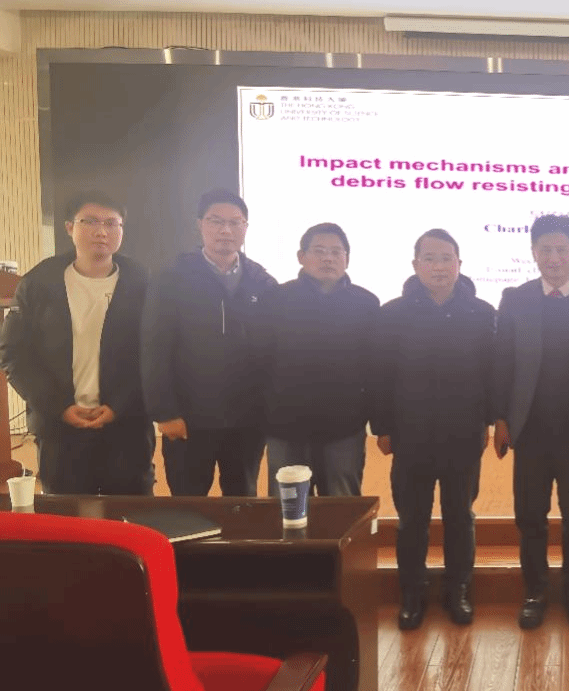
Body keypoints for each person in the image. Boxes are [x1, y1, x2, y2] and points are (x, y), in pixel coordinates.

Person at [492, 214, 569, 630]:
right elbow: (502, 363)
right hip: (528, 429)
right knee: (530, 516)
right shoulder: (515, 299)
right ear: (533, 253)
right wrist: (500, 418)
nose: (553, 257)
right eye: (545, 249)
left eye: (561, 249)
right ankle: (534, 593)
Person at [374, 229, 494, 629]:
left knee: (460, 516)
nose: (438, 267)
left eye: (446, 259)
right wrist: (383, 427)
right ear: (415, 265)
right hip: (411, 435)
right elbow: (381, 374)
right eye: (429, 259)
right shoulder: (392, 314)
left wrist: (488, 422)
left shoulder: (481, 313)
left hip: (464, 435)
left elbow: (492, 373)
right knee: (412, 520)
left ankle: (458, 590)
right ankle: (412, 593)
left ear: (459, 264)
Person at [0, 191, 153, 494]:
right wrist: (59, 407)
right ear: (69, 227)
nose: (101, 231)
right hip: (60, 427)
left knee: (131, 511)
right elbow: (14, 354)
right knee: (66, 512)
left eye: (111, 223)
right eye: (90, 221)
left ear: (122, 230)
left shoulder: (142, 282)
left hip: (127, 425)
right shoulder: (39, 282)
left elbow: (152, 355)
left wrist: (119, 405)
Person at [141, 188, 277, 496]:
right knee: (188, 503)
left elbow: (272, 353)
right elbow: (153, 349)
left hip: (247, 421)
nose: (226, 230)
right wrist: (164, 412)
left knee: (242, 501)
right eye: (216, 221)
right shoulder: (172, 278)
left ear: (245, 227)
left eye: (235, 222)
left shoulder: (262, 282)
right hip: (188, 418)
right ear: (200, 224)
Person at [259, 223, 379, 497]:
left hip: (344, 430)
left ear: (347, 259)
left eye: (336, 252)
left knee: (341, 510)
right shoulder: (276, 299)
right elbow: (259, 361)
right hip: (285, 428)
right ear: (301, 257)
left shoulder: (366, 304)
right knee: (286, 511)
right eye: (320, 251)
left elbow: (375, 370)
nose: (328, 258)